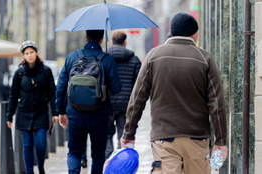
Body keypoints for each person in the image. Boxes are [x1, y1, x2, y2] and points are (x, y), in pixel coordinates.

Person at [121, 12, 228, 174]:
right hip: (197, 138)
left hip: (164, 138)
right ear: (194, 33)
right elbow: (216, 104)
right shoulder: (205, 58)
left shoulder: (153, 56)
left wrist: (129, 132)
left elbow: (137, 99)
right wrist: (220, 141)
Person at [56, 30, 121, 174]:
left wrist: (60, 111)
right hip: (99, 115)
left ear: (86, 38)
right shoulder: (106, 59)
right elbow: (116, 88)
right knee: (98, 156)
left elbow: (60, 87)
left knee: (74, 153)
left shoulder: (72, 57)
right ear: (102, 40)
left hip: (74, 114)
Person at [6, 40, 58, 174]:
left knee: (40, 144)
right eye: (26, 53)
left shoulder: (46, 71)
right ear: (23, 55)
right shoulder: (19, 73)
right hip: (24, 113)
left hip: (41, 113)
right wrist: (9, 115)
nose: (29, 55)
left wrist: (55, 112)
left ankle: (40, 167)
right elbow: (13, 95)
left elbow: (52, 93)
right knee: (27, 145)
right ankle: (29, 172)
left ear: (36, 53)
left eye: (31, 52)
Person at [104, 30, 141, 159]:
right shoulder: (134, 60)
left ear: (111, 42)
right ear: (125, 42)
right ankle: (121, 163)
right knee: (123, 136)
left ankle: (108, 162)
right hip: (126, 105)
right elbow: (139, 84)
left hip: (107, 104)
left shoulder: (103, 59)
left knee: (107, 135)